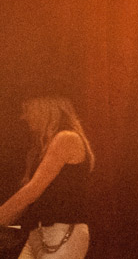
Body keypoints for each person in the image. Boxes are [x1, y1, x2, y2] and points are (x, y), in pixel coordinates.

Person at [0, 97, 94, 259]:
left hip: (63, 232)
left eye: (27, 110)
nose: (24, 117)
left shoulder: (67, 138)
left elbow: (32, 191)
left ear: (43, 109)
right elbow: (27, 198)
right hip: (38, 233)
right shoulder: (40, 149)